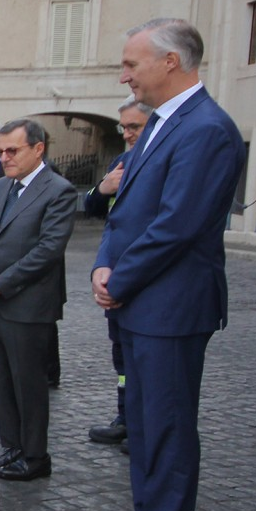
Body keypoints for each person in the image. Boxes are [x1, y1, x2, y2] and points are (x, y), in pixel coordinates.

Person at [85, 18, 244, 511]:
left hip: (169, 305)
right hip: (139, 300)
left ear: (170, 62)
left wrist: (119, 280)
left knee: (168, 423)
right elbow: (125, 208)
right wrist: (103, 265)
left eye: (132, 64)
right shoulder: (159, 124)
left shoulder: (205, 128)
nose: (124, 75)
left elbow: (178, 225)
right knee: (145, 422)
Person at [0, 119, 78, 481]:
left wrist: (1, 283)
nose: (4, 157)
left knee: (28, 384)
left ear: (38, 149)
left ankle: (35, 456)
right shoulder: (0, 188)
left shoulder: (58, 191)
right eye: (1, 150)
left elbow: (48, 249)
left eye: (12, 150)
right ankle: (13, 447)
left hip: (27, 303)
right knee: (1, 381)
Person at [83, 99, 152, 446]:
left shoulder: (158, 162)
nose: (127, 135)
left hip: (144, 280)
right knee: (121, 357)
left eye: (134, 127)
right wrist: (102, 188)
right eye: (123, 128)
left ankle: (141, 426)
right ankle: (125, 417)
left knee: (145, 362)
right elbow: (96, 211)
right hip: (116, 277)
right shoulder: (121, 164)